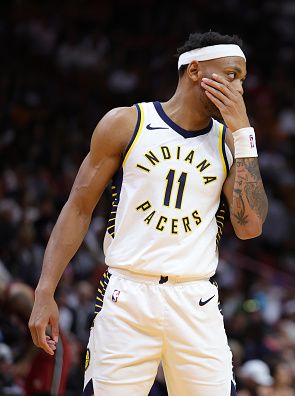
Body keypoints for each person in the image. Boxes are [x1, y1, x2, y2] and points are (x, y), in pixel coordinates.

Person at [28, 31, 268, 395]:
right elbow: (78, 208)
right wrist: (45, 291)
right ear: (194, 70)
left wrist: (244, 134)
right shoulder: (127, 123)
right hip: (127, 294)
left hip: (195, 298)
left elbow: (250, 227)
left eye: (242, 81)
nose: (239, 89)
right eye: (232, 75)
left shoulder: (229, 142)